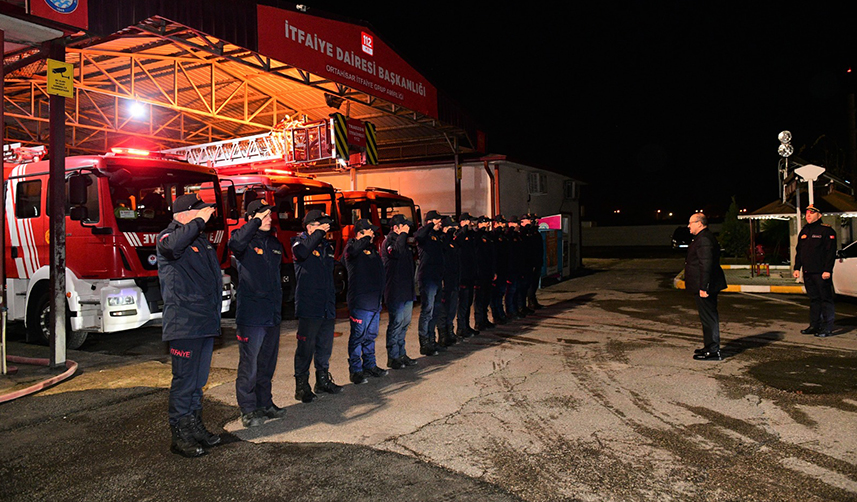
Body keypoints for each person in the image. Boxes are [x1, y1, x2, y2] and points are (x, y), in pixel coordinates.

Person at [157, 193, 223, 457]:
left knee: (198, 381)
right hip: (184, 322)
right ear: (184, 215)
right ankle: (179, 434)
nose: (205, 216)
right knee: (184, 380)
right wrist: (196, 223)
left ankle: (194, 426)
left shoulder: (200, 241)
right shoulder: (169, 237)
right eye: (199, 212)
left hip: (205, 321)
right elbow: (172, 247)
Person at [228, 199, 287, 428]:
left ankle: (265, 403)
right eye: (264, 215)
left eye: (270, 214)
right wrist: (254, 222)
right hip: (252, 315)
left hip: (272, 313)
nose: (270, 218)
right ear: (253, 218)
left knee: (266, 363)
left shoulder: (274, 243)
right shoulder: (244, 241)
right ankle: (248, 409)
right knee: (249, 365)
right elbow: (235, 243)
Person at [292, 209, 342, 402]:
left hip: (326, 305)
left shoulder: (325, 246)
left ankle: (322, 380)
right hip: (309, 305)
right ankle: (301, 386)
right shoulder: (299, 242)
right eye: (321, 225)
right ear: (310, 226)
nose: (325, 229)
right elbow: (301, 253)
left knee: (324, 346)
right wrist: (318, 233)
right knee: (306, 347)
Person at [343, 218, 389, 384]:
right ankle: (356, 370)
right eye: (370, 230)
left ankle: (370, 365)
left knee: (370, 335)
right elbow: (351, 253)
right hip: (360, 302)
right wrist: (363, 239)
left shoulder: (371, 249)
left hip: (374, 302)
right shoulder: (352, 248)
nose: (373, 233)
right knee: (357, 336)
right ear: (360, 233)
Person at [685, 212, 727, 361]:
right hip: (703, 285)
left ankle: (714, 351)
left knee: (709, 318)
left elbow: (706, 264)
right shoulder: (702, 238)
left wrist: (704, 287)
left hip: (705, 286)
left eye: (691, 222)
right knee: (706, 318)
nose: (688, 226)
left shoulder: (704, 240)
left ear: (700, 223)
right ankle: (709, 346)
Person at [793, 204, 837, 337]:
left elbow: (830, 253)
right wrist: (797, 268)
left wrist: (827, 270)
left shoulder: (826, 231)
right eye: (807, 213)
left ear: (819, 215)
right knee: (814, 300)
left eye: (811, 213)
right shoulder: (805, 230)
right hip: (808, 272)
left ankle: (827, 328)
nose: (808, 215)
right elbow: (799, 251)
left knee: (825, 299)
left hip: (821, 272)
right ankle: (814, 325)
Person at [381, 213, 418, 368]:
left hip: (406, 289)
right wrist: (402, 234)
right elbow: (395, 253)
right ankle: (393, 356)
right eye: (404, 226)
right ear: (396, 227)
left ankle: (401, 354)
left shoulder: (403, 242)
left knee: (405, 323)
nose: (407, 229)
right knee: (396, 323)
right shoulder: (389, 242)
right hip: (395, 290)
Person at [415, 210, 445, 355]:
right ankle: (424, 343)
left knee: (435, 311)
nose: (440, 224)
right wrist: (429, 225)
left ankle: (432, 340)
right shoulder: (424, 235)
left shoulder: (437, 236)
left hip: (437, 278)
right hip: (427, 278)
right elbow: (418, 236)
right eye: (438, 221)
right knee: (427, 311)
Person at [436, 216, 460, 346]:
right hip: (445, 279)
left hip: (453, 278)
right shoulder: (440, 241)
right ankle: (443, 335)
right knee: (443, 309)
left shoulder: (452, 242)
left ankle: (450, 331)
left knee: (452, 308)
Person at [455, 212, 479, 337]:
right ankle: (461, 328)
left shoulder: (470, 235)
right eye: (469, 221)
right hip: (463, 275)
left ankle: (466, 326)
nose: (471, 223)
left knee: (468, 302)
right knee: (463, 303)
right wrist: (463, 228)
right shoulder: (459, 234)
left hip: (470, 274)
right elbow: (457, 241)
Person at [473, 216, 495, 331]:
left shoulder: (488, 236)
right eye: (486, 223)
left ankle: (484, 319)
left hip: (488, 270)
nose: (488, 225)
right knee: (479, 298)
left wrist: (493, 270)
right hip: (480, 271)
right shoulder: (477, 235)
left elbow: (491, 255)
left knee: (486, 296)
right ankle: (479, 321)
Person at [490, 215, 509, 325]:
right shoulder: (493, 235)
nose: (503, 225)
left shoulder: (503, 236)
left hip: (503, 268)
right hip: (497, 268)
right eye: (501, 223)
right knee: (495, 294)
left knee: (501, 292)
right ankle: (497, 315)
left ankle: (501, 314)